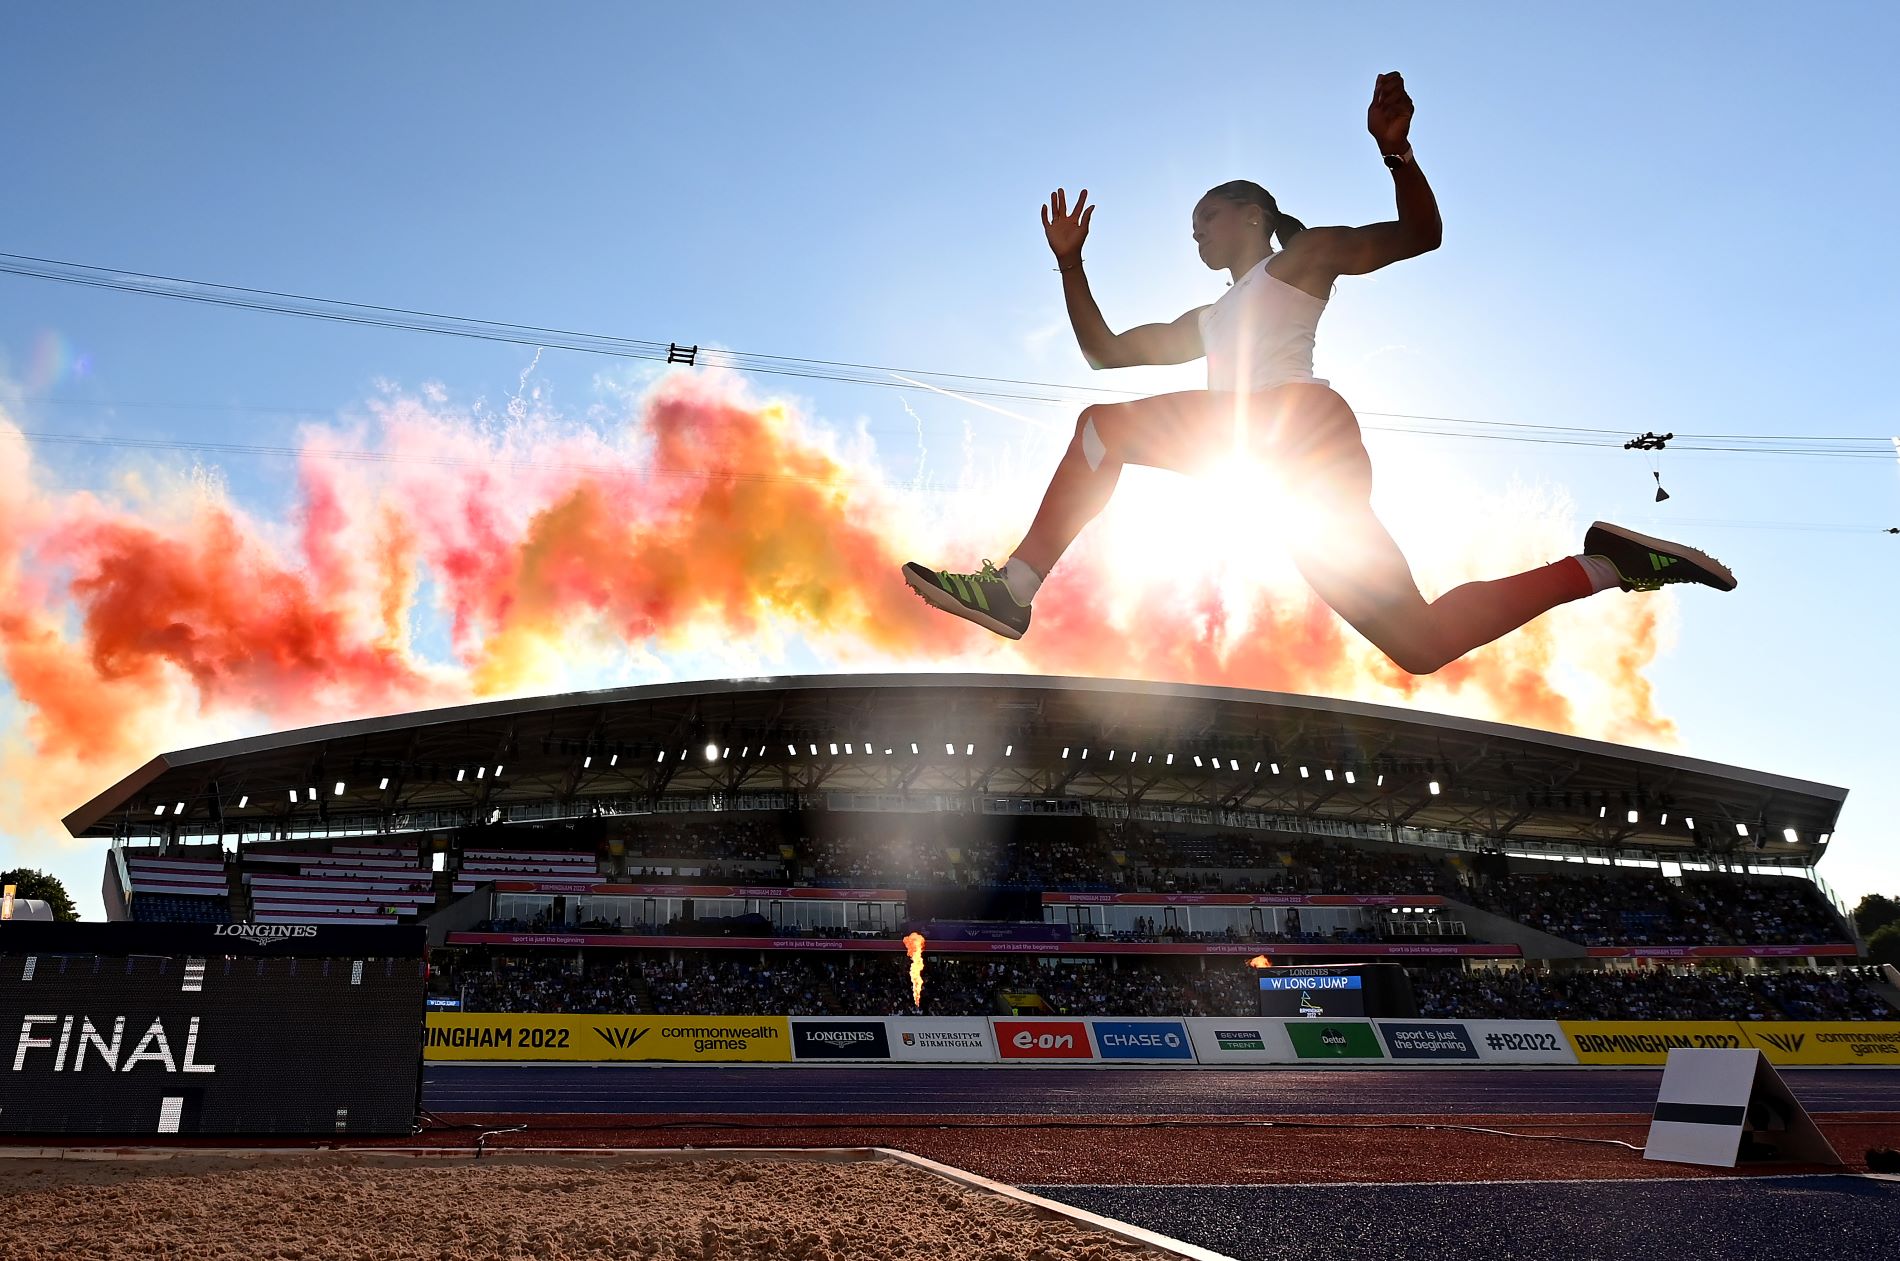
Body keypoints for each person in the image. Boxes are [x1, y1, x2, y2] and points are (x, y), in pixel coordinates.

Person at [902, 72, 1734, 675]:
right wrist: (1071, 267)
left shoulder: (1301, 260)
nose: (1195, 234)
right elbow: (1106, 351)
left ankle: (1014, 587)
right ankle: (1609, 564)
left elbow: (1421, 234)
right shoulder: (1208, 320)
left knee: (1102, 428)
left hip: (1292, 427)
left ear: (1254, 215)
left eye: (1208, 217)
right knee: (1421, 643)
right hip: (1290, 479)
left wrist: (1398, 149)